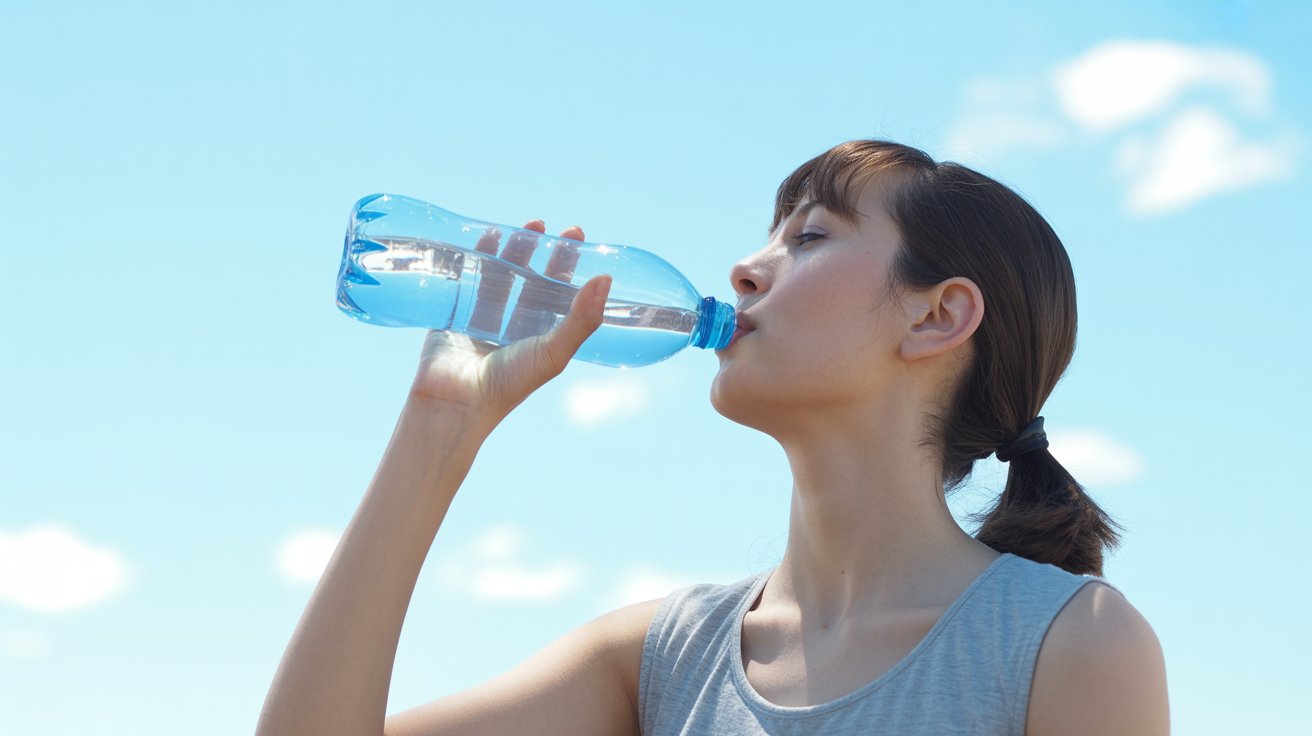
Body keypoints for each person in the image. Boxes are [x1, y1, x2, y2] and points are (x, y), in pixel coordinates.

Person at [256, 140, 1169, 735]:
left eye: (809, 236)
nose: (744, 268)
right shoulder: (660, 658)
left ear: (938, 317)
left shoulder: (1069, 645)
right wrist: (439, 425)